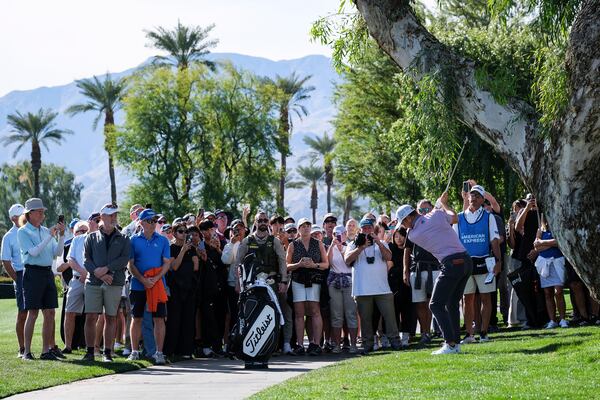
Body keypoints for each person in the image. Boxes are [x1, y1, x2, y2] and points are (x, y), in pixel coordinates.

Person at [397, 192, 471, 355]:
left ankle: (450, 343)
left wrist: (437, 207)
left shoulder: (414, 234)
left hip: (451, 264)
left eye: (403, 222)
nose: (404, 227)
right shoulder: (436, 214)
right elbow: (454, 217)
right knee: (451, 303)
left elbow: (425, 222)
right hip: (466, 261)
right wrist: (443, 204)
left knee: (435, 304)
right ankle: (456, 344)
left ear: (408, 218)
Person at [237, 212, 292, 354]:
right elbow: (238, 264)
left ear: (268, 223)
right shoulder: (247, 241)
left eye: (265, 220)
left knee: (276, 313)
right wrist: (238, 283)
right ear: (255, 222)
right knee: (252, 314)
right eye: (259, 220)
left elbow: (282, 261)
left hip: (271, 282)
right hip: (252, 284)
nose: (262, 222)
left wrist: (283, 281)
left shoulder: (274, 241)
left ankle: (279, 345)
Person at [17, 198, 66, 360]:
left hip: (46, 273)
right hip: (32, 273)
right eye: (39, 211)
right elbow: (34, 252)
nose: (42, 214)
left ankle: (46, 351)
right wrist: (49, 236)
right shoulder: (23, 231)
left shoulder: (45, 230)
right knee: (32, 313)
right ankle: (27, 352)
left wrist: (61, 236)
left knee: (50, 312)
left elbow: (57, 253)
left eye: (42, 211)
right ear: (30, 214)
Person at [81, 203, 130, 362]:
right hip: (94, 281)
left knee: (111, 317)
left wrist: (107, 269)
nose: (114, 217)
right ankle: (90, 352)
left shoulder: (123, 238)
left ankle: (107, 352)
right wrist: (99, 274)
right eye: (111, 215)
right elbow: (86, 260)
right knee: (90, 317)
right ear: (102, 217)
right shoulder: (91, 237)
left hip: (114, 282)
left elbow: (124, 259)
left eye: (115, 214)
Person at [345, 217, 401, 353]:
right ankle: (368, 344)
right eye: (364, 228)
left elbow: (388, 257)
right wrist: (361, 247)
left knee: (390, 317)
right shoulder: (353, 244)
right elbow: (347, 260)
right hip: (362, 289)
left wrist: (379, 243)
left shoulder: (381, 243)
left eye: (369, 228)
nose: (367, 230)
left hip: (382, 288)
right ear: (360, 230)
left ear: (373, 229)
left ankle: (395, 341)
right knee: (365, 320)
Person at [456, 185, 501, 344]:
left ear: (483, 200)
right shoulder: (459, 217)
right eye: (471, 195)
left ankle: (483, 332)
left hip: (484, 262)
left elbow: (494, 241)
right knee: (467, 299)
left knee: (486, 298)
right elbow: (455, 242)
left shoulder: (489, 217)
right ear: (467, 198)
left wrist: (499, 261)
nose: (473, 198)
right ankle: (469, 334)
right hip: (466, 263)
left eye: (477, 196)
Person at [127, 209, 171, 365]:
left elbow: (167, 263)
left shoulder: (163, 240)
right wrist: (143, 280)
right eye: (150, 221)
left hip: (157, 285)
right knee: (136, 317)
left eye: (154, 221)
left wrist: (156, 278)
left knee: (159, 318)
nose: (153, 224)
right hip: (138, 284)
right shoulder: (133, 240)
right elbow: (130, 264)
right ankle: (134, 351)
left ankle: (159, 353)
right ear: (141, 222)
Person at [286, 217, 328, 355]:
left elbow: (326, 264)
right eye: (303, 226)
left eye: (308, 225)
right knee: (299, 313)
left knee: (315, 311)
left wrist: (314, 265)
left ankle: (315, 343)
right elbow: (287, 265)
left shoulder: (318, 243)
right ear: (298, 229)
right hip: (298, 281)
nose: (306, 228)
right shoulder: (293, 245)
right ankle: (299, 344)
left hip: (314, 280)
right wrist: (298, 264)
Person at [403, 199, 441, 345]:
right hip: (417, 269)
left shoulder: (437, 225)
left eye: (426, 209)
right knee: (420, 304)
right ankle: (425, 332)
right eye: (421, 210)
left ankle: (435, 331)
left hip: (435, 268)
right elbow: (407, 250)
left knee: (434, 302)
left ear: (432, 209)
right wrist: (405, 271)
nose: (424, 212)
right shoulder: (411, 228)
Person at [164, 222, 199, 358]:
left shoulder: (191, 248)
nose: (184, 234)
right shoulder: (171, 248)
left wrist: (192, 252)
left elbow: (196, 266)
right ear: (174, 233)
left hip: (189, 287)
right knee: (174, 320)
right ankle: (171, 350)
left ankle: (186, 350)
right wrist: (183, 251)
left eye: (185, 232)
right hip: (175, 289)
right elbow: (174, 267)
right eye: (180, 231)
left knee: (188, 319)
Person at [326, 225, 358, 353]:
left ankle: (354, 345)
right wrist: (332, 248)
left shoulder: (350, 246)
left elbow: (348, 262)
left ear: (345, 234)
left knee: (351, 313)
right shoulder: (330, 248)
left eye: (340, 234)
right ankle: (336, 345)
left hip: (349, 282)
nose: (337, 236)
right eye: (335, 234)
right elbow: (328, 263)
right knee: (336, 315)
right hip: (334, 282)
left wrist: (340, 249)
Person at [1, 203, 27, 358]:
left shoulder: (30, 231)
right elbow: (5, 261)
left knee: (44, 311)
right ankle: (22, 348)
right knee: (23, 313)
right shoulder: (9, 236)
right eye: (21, 215)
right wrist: (17, 279)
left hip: (35, 273)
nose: (25, 217)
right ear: (13, 218)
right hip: (21, 275)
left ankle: (50, 347)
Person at [61, 221, 90, 354]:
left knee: (93, 314)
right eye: (80, 230)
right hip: (77, 279)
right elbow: (70, 260)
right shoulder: (75, 242)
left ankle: (93, 347)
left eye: (85, 230)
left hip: (92, 280)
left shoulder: (93, 240)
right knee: (69, 312)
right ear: (75, 232)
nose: (84, 233)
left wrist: (88, 274)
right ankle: (68, 346)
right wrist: (83, 272)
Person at [534, 219, 568, 329]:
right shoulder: (540, 230)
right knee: (548, 293)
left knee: (558, 292)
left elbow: (560, 242)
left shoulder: (558, 226)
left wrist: (542, 242)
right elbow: (536, 246)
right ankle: (552, 320)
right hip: (544, 263)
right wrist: (552, 243)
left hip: (557, 262)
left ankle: (563, 319)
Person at [388, 227, 415, 348]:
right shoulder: (391, 249)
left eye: (401, 236)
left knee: (407, 311)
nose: (399, 238)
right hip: (393, 285)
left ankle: (406, 337)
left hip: (407, 284)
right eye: (396, 236)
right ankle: (395, 337)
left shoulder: (410, 249)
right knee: (394, 311)